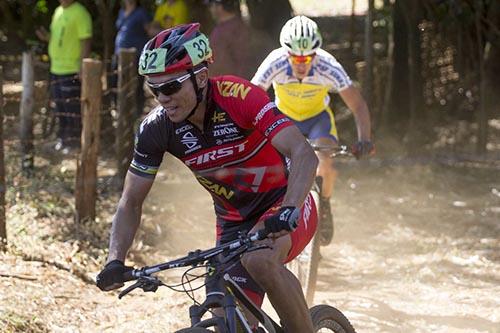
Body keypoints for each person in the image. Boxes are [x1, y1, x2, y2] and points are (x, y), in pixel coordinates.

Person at [96, 23, 319, 332]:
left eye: (171, 86)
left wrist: (289, 209)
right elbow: (131, 201)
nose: (162, 97)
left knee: (259, 260)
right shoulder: (156, 129)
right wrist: (114, 260)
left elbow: (303, 152)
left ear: (200, 77)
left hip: (283, 201)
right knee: (227, 316)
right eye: (154, 88)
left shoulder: (238, 97)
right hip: (233, 221)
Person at [251, 15, 374, 246]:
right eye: (295, 57)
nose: (301, 62)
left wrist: (364, 139)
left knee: (324, 162)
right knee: (275, 168)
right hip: (285, 119)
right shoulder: (274, 62)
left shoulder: (328, 66)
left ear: (316, 53)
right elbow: (252, 97)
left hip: (318, 120)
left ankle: (324, 203)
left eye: (308, 57)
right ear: (285, 53)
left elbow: (357, 105)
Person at [35, 0, 92, 151]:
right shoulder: (58, 11)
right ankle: (63, 139)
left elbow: (86, 41)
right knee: (59, 107)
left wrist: (82, 67)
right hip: (56, 68)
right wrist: (46, 37)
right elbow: (57, 38)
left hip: (71, 69)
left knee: (71, 108)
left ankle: (74, 142)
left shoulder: (80, 13)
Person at [114, 0, 155, 116]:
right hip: (120, 55)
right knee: (118, 84)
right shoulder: (122, 11)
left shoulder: (141, 13)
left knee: (136, 86)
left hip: (136, 55)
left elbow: (150, 31)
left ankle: (136, 114)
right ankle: (123, 112)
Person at [206, 0, 251, 78]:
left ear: (219, 7)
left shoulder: (221, 33)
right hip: (239, 84)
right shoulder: (242, 26)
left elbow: (217, 66)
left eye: (211, 5)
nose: (210, 9)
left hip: (228, 85)